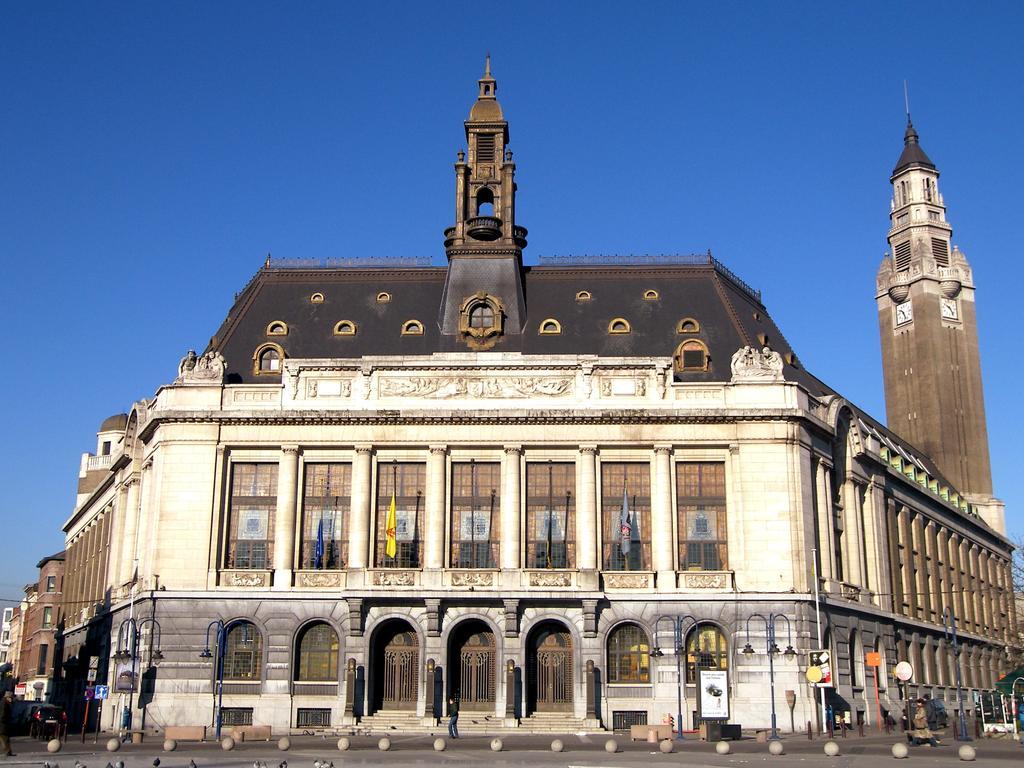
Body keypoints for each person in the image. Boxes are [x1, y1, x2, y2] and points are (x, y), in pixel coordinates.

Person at [0, 691, 14, 757]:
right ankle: (8, 752)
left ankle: (8, 752)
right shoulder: (4, 703)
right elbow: (2, 714)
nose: (12, 699)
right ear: (7, 697)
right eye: (11, 697)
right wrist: (4, 721)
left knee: (4, 739)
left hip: (3, 724)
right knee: (5, 738)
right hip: (2, 725)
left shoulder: (5, 702)